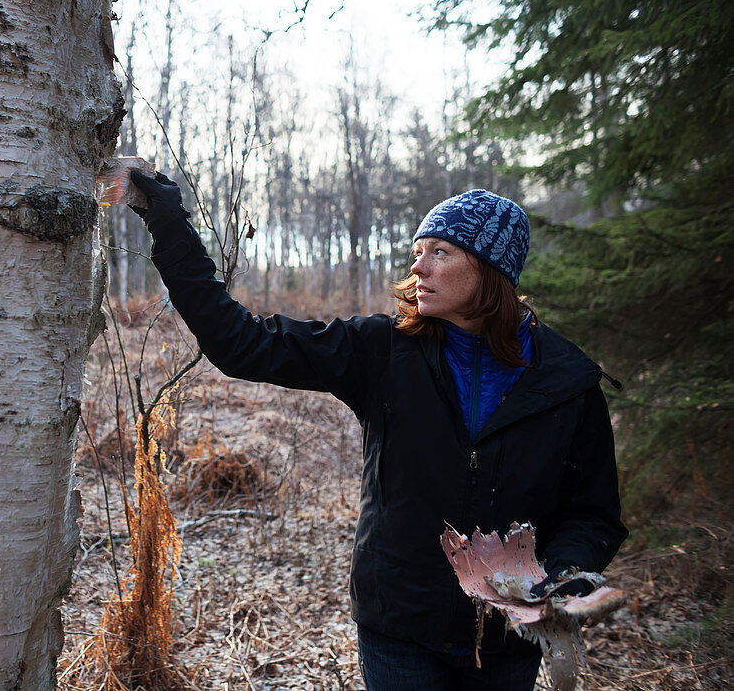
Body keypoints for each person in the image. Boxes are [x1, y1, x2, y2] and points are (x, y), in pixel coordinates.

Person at [127, 171, 628, 691]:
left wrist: (562, 575)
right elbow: (240, 342)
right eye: (418, 250)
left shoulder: (567, 380)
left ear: (489, 269)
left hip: (507, 638)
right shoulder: (382, 350)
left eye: (440, 252)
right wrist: (167, 221)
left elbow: (593, 511)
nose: (417, 266)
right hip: (399, 627)